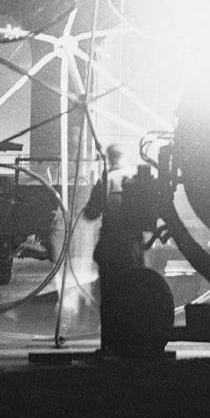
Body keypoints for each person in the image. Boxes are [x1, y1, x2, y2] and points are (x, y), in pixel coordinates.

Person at [82, 144, 152, 350]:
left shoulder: (105, 180)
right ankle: (135, 342)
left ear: (108, 158)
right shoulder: (136, 178)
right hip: (133, 246)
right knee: (135, 294)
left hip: (111, 246)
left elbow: (91, 213)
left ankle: (110, 345)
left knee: (111, 298)